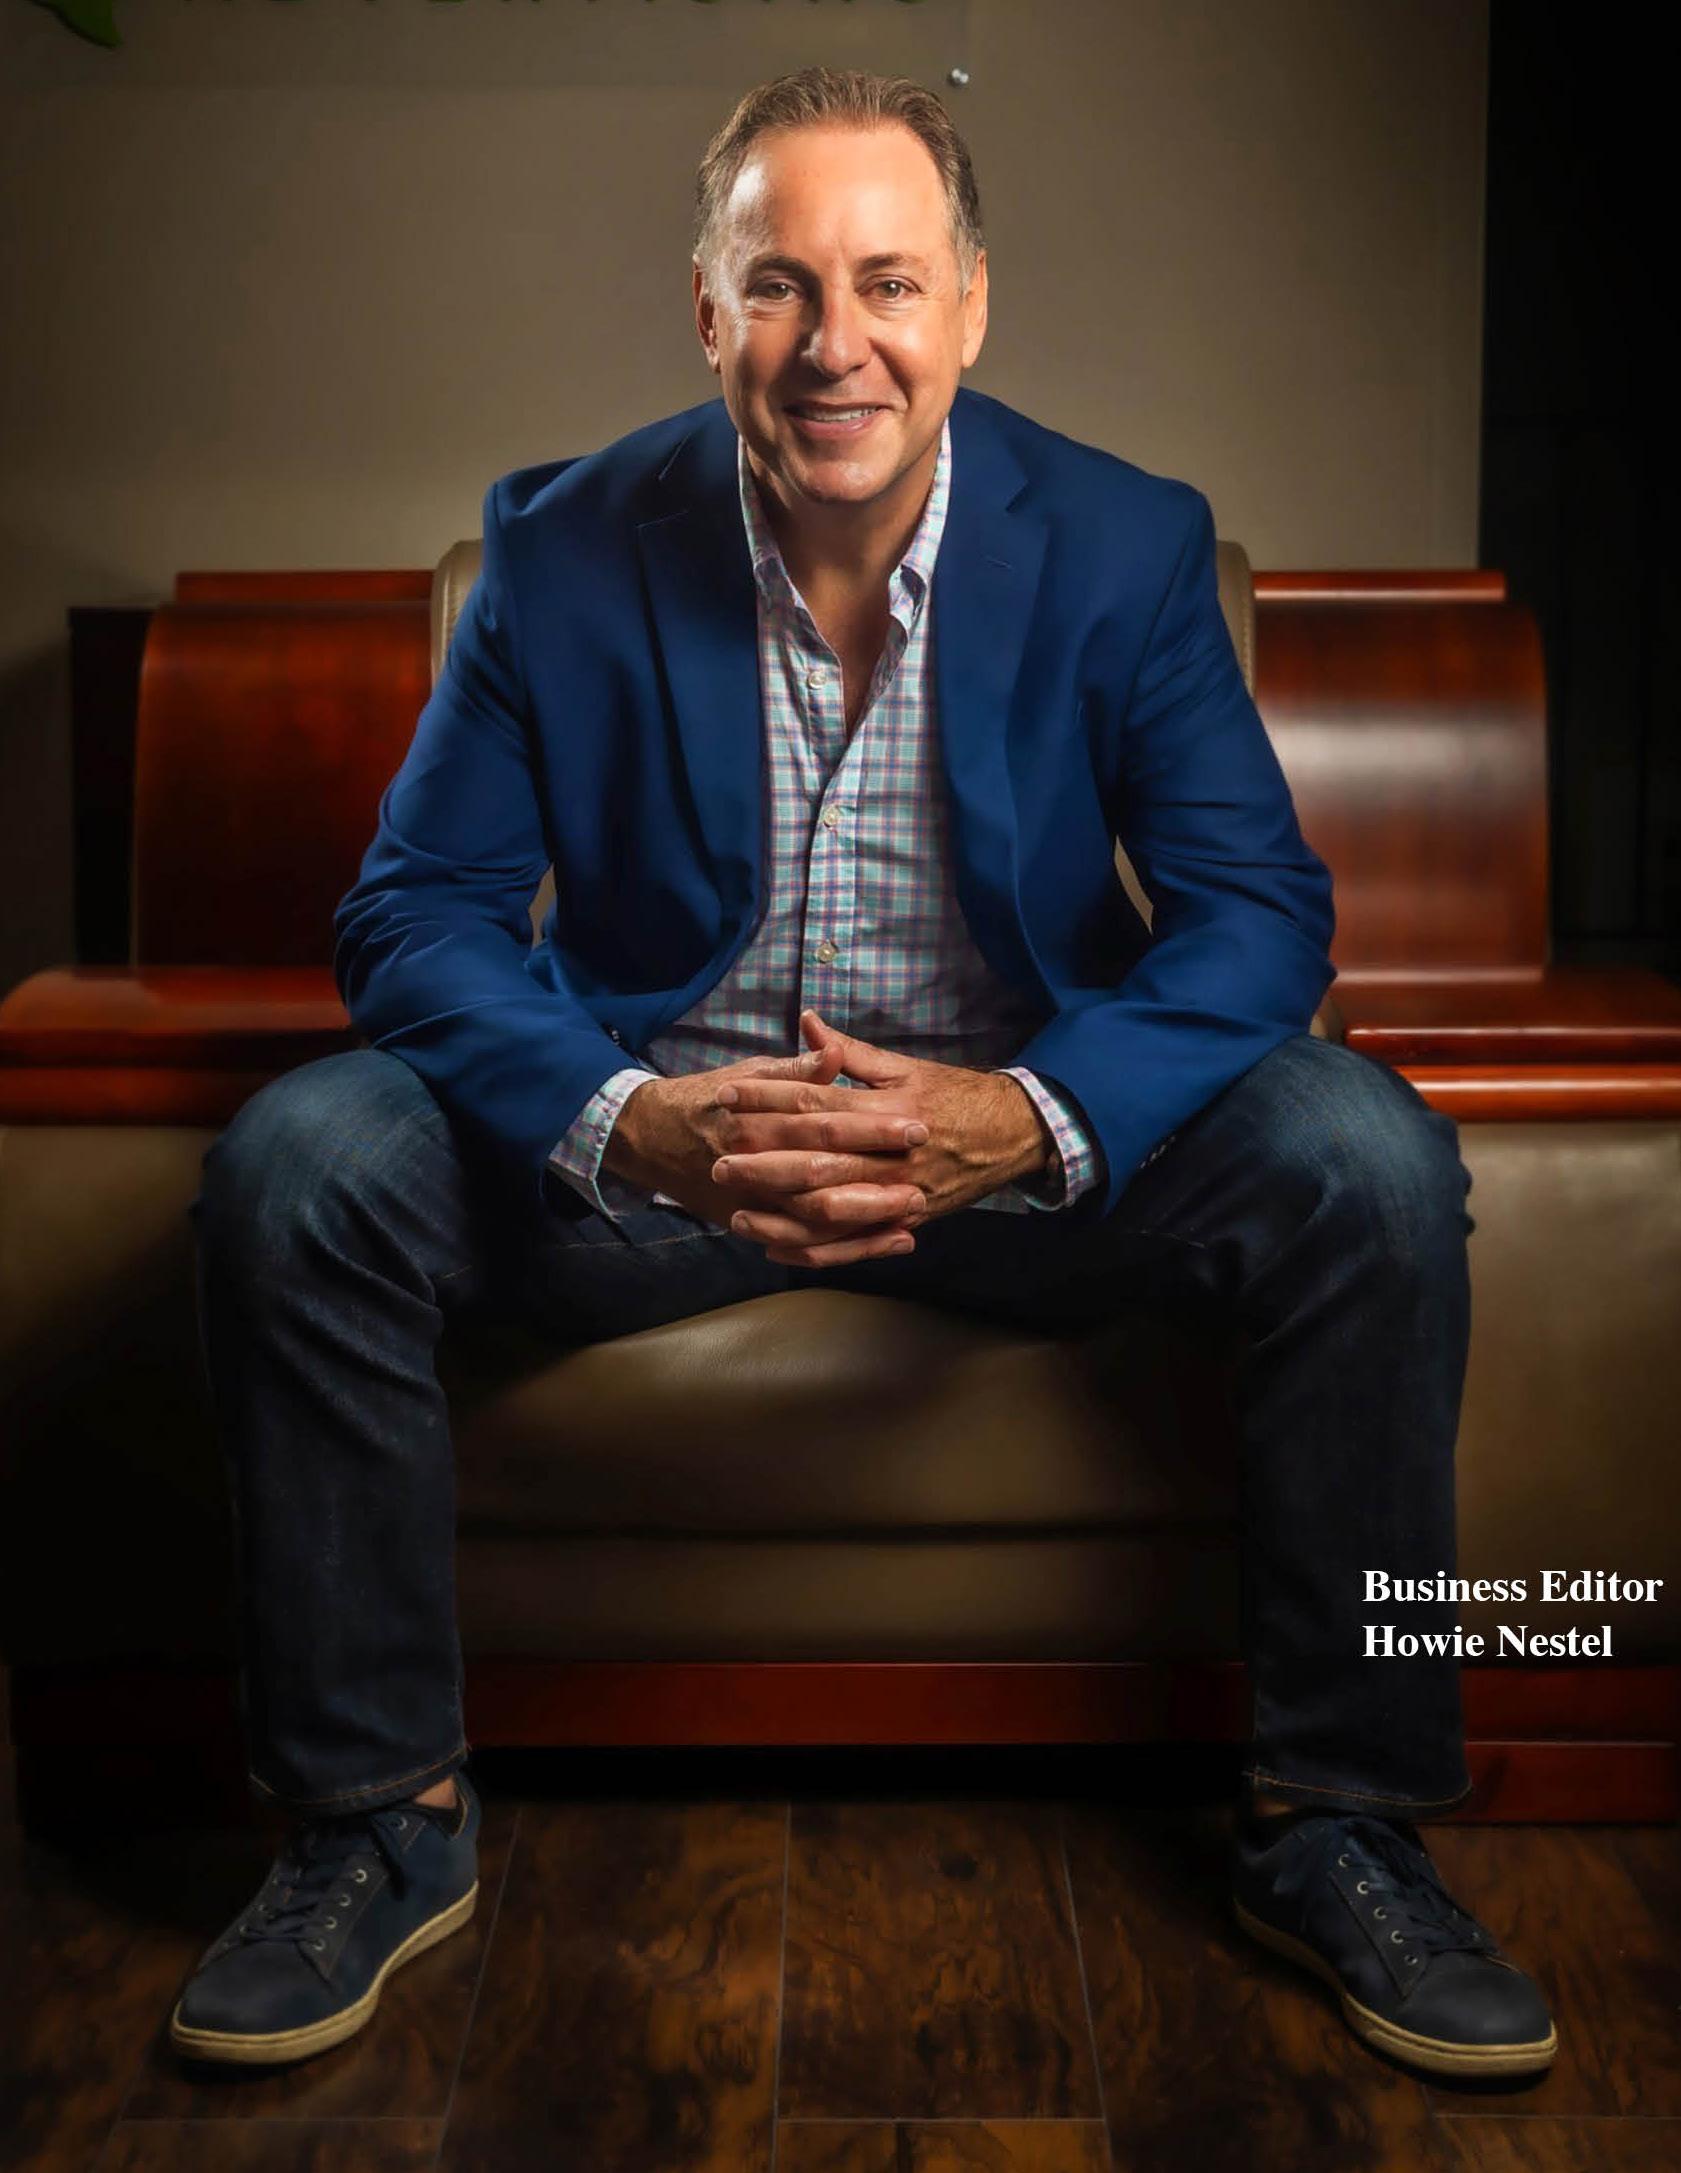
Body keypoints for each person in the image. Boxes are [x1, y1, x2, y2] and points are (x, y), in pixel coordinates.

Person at [167, 65, 1556, 2082]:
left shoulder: (1126, 544)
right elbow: (413, 916)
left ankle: (1337, 1821)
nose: (838, 344)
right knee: (297, 1167)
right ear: (706, 314)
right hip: (656, 1156)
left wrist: (1029, 1118)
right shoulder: (559, 544)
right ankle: (374, 1817)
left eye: (888, 283)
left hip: (1019, 1168)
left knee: (1366, 1153)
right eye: (780, 286)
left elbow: (1258, 915)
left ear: (969, 306)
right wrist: (633, 1122)